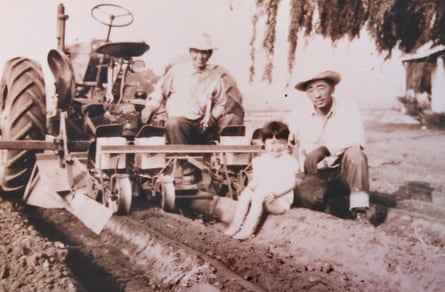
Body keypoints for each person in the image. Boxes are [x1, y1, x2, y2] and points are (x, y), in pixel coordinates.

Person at [285, 70, 370, 223]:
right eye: (310, 90)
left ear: (332, 88)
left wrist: (324, 149)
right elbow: (286, 141)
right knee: (310, 199)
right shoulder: (298, 114)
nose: (317, 95)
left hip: (341, 175)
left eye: (321, 87)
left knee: (356, 154)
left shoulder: (348, 110)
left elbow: (358, 139)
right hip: (314, 175)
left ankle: (359, 211)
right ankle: (335, 205)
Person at [141, 32, 244, 144]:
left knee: (233, 119)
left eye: (204, 52)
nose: (200, 57)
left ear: (210, 55)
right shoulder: (176, 72)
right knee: (174, 123)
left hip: (203, 124)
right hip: (181, 122)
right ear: (190, 52)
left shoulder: (215, 78)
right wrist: (150, 107)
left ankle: (228, 157)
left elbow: (220, 102)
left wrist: (212, 118)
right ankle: (181, 159)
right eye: (196, 52)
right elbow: (160, 93)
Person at [224, 121, 300, 240]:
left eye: (280, 143)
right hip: (263, 197)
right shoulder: (261, 161)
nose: (276, 147)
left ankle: (248, 230)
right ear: (264, 143)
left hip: (279, 201)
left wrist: (275, 193)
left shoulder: (288, 161)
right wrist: (250, 187)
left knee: (259, 193)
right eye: (272, 143)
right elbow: (258, 180)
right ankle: (236, 224)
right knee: (247, 193)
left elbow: (291, 184)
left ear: (286, 143)